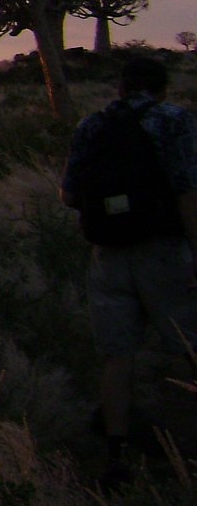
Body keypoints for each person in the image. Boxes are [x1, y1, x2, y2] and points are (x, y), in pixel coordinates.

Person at [60, 56, 197, 472]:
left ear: (120, 87)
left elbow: (68, 194)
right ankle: (185, 447)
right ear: (163, 88)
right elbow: (187, 191)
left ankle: (115, 454)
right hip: (163, 250)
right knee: (188, 348)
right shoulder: (174, 121)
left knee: (117, 357)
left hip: (108, 253)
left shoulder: (91, 125)